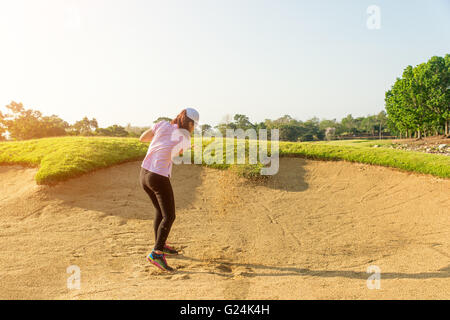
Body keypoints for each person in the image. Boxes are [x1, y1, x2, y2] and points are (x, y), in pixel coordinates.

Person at [139, 108, 199, 272]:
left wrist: (160, 141)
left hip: (144, 175)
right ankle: (156, 253)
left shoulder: (162, 124)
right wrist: (186, 146)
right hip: (158, 176)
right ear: (190, 123)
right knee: (170, 215)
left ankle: (161, 245)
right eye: (194, 125)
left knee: (160, 211)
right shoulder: (185, 137)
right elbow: (177, 152)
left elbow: (142, 138)